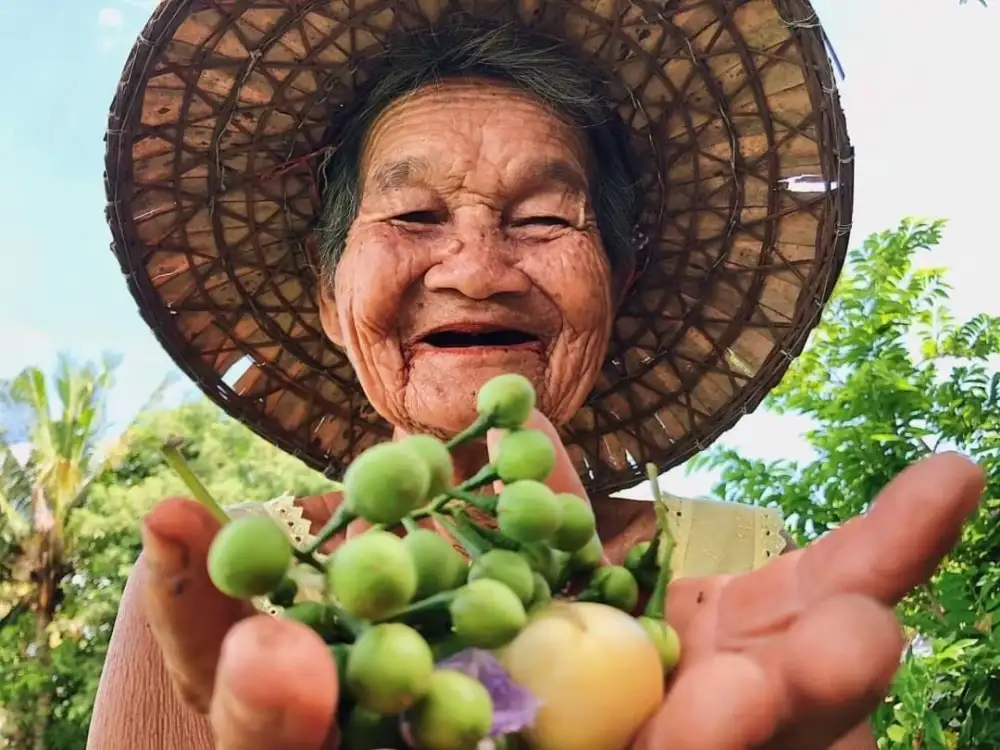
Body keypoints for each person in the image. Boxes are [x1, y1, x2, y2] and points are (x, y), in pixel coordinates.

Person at [89, 2, 984, 749]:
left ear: (616, 285)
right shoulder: (221, 584)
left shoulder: (742, 578)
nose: (477, 271)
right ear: (330, 296)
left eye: (545, 219)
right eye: (413, 213)